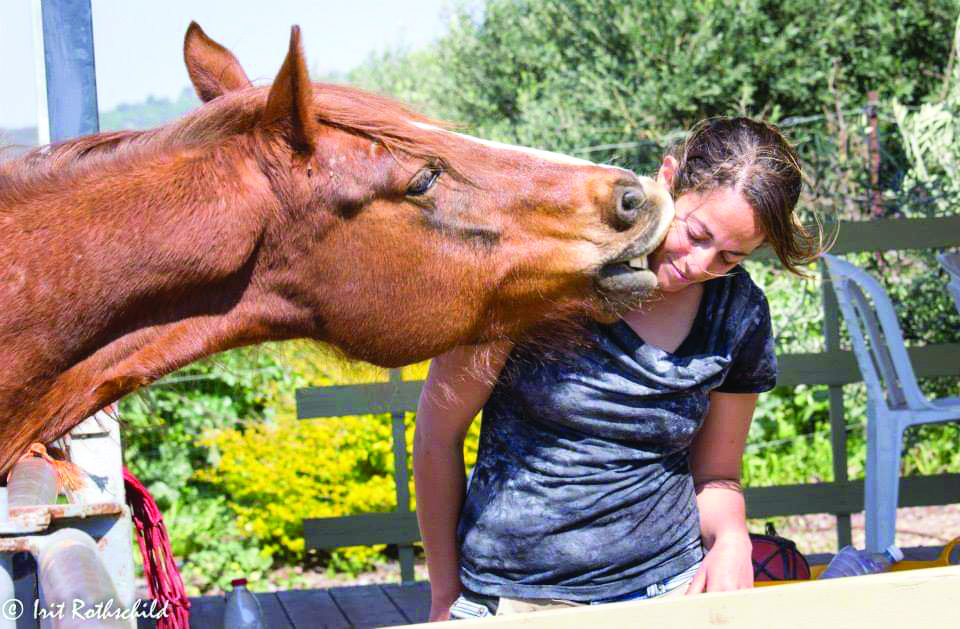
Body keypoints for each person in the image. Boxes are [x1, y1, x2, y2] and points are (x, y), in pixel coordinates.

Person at [413, 117, 822, 620]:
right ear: (667, 178)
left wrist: (733, 535)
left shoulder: (736, 314)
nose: (700, 265)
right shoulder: (538, 273)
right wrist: (444, 594)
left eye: (730, 256)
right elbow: (437, 438)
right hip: (510, 598)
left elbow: (716, 474)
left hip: (666, 592)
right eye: (695, 234)